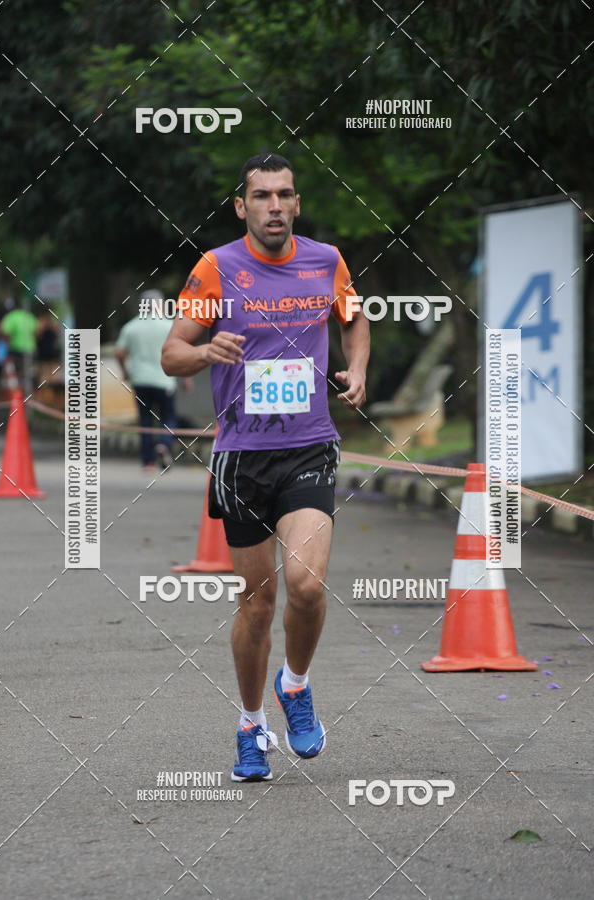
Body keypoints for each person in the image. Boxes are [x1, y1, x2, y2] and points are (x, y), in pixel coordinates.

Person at [162, 153, 370, 781]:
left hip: (309, 445)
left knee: (305, 586)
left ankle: (296, 684)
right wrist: (206, 351)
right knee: (257, 603)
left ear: (297, 204)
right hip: (242, 456)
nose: (274, 206)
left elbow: (355, 320)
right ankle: (251, 725)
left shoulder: (326, 261)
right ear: (241, 206)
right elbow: (172, 354)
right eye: (261, 196)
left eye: (284, 195)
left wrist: (358, 369)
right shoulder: (216, 268)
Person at [115, 291, 181, 471]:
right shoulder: (170, 326)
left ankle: (148, 462)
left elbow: (119, 352)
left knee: (145, 419)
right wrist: (186, 377)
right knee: (168, 417)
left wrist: (125, 371)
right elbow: (181, 352)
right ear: (160, 305)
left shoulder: (131, 327)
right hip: (165, 380)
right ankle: (164, 444)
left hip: (140, 380)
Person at [0, 299, 38, 393]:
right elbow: (37, 331)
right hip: (31, 348)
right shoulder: (29, 316)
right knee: (28, 371)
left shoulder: (10, 316)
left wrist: (7, 342)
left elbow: (5, 332)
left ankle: (15, 392)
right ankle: (29, 392)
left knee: (13, 371)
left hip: (15, 349)